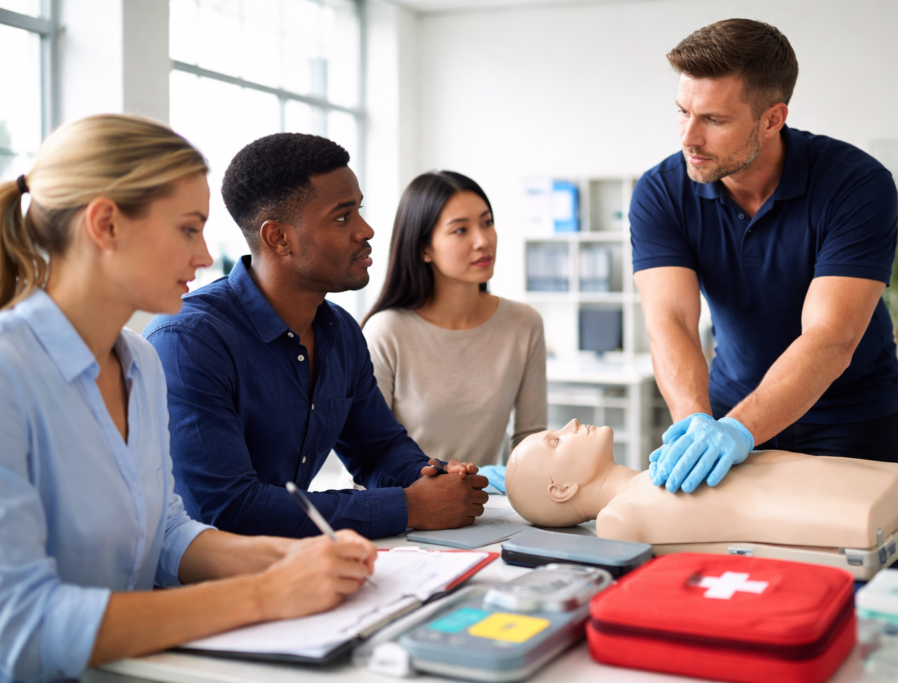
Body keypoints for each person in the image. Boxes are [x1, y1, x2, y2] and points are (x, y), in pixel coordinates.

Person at [0, 115, 378, 683]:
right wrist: (263, 594)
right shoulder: (11, 372)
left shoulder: (139, 364)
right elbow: (23, 624)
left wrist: (288, 558)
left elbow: (164, 533)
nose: (205, 257)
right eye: (187, 229)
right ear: (106, 225)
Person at [144, 134, 488, 540]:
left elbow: (377, 449)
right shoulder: (188, 341)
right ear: (279, 238)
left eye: (359, 209)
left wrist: (434, 477)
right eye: (342, 217)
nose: (366, 229)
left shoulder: (339, 330)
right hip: (203, 589)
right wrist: (409, 506)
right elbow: (225, 509)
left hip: (296, 570)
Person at [631, 19, 898, 496]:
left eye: (713, 120)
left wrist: (739, 432)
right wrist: (697, 424)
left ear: (773, 118)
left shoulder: (856, 185)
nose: (688, 137)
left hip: (847, 415)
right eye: (682, 112)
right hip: (725, 407)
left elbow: (830, 337)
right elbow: (671, 320)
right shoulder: (661, 192)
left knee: (842, 556)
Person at [504, 420, 898, 555]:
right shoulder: (619, 520)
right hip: (842, 514)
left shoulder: (671, 462)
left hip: (843, 482)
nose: (571, 424)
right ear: (561, 489)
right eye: (556, 441)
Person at [362, 171, 547, 475]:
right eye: (460, 230)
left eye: (487, 223)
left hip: (481, 507)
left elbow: (530, 443)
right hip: (399, 505)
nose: (482, 240)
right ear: (424, 248)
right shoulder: (387, 331)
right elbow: (368, 454)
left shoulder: (524, 324)